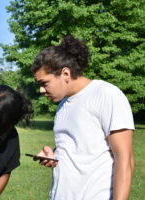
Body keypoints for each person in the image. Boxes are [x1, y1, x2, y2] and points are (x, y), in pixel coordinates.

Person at [31, 35, 134, 199]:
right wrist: (54, 155)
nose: (42, 90)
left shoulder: (106, 94)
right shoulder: (62, 105)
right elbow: (82, 148)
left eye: (44, 83)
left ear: (65, 73)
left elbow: (124, 158)